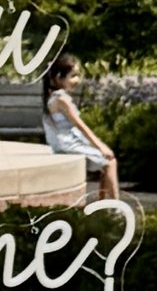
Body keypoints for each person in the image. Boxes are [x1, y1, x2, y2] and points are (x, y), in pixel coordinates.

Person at [40, 53, 120, 203]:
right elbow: (80, 125)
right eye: (73, 75)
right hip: (67, 144)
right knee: (110, 162)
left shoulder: (55, 97)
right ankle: (116, 206)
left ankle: (102, 205)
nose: (77, 80)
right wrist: (100, 146)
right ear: (58, 77)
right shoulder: (61, 99)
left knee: (106, 162)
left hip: (65, 141)